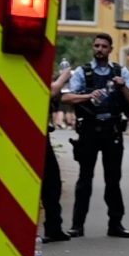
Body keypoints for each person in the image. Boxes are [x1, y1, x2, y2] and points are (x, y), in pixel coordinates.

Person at [60, 33, 129, 238]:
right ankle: (77, 225)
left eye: (104, 46)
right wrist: (88, 95)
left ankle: (116, 224)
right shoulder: (82, 72)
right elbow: (66, 97)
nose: (100, 49)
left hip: (112, 130)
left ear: (111, 49)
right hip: (88, 130)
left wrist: (122, 86)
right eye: (96, 45)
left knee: (113, 180)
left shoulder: (121, 72)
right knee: (85, 178)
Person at [41, 61, 73, 243]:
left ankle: (54, 227)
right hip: (34, 136)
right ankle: (53, 227)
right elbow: (50, 91)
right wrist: (65, 75)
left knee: (52, 182)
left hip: (37, 134)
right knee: (51, 182)